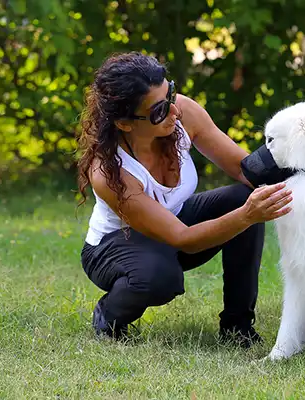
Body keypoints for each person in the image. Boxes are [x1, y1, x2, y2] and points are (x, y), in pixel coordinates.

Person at [76, 51, 293, 348]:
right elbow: (184, 238)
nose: (174, 112)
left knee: (245, 196)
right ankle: (109, 314)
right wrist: (248, 215)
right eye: (159, 110)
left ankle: (237, 327)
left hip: (174, 223)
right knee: (161, 279)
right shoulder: (109, 171)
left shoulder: (182, 112)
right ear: (125, 123)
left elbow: (247, 172)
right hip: (116, 246)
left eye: (171, 95)